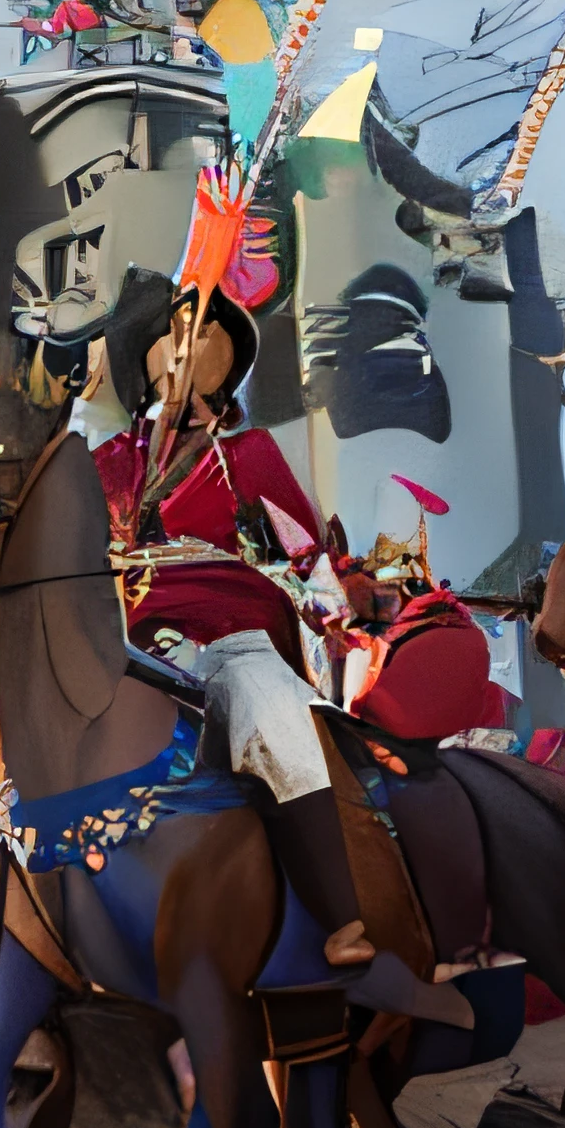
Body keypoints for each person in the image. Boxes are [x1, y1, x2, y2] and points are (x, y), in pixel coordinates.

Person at [89, 275, 375, 965]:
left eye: (210, 330)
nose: (194, 344)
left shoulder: (248, 456)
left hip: (228, 640)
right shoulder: (104, 465)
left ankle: (344, 913)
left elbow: (309, 560)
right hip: (124, 642)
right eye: (180, 331)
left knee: (270, 704)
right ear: (147, 358)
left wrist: (309, 582)